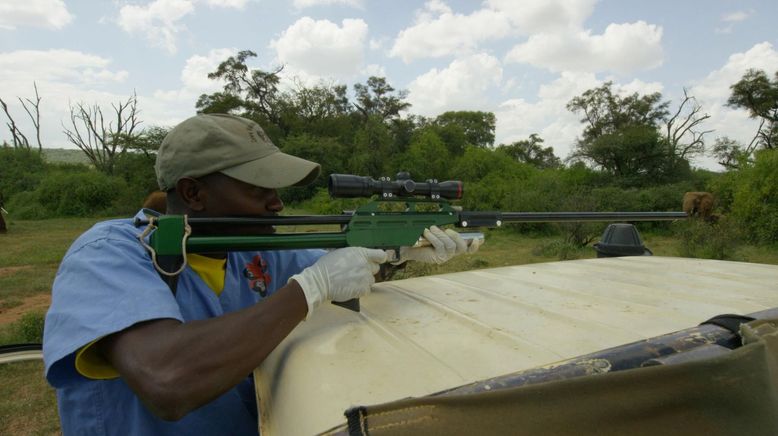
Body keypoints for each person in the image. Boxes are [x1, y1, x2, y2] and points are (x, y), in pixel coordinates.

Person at [43, 113, 478, 435]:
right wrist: (309, 289)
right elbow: (167, 379)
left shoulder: (248, 250)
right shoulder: (106, 254)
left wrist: (400, 254)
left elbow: (337, 269)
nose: (276, 204)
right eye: (257, 189)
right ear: (194, 192)